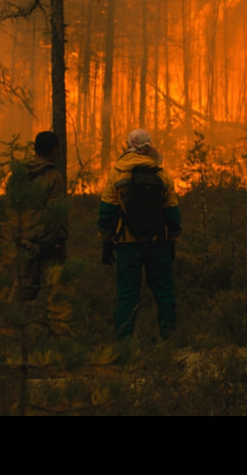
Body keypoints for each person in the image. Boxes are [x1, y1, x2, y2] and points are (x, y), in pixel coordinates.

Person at [98, 129, 181, 340]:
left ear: (129, 146)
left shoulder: (116, 173)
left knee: (127, 295)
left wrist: (106, 241)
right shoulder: (161, 175)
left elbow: (106, 211)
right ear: (149, 147)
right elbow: (172, 213)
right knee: (163, 292)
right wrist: (173, 241)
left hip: (127, 244)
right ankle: (168, 338)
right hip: (157, 243)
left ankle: (124, 342)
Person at [18, 130, 68, 300]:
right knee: (53, 290)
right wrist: (53, 242)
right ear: (54, 150)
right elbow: (55, 214)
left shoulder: (20, 174)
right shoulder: (54, 177)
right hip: (48, 242)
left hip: (22, 237)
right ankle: (45, 322)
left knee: (23, 288)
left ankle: (18, 321)